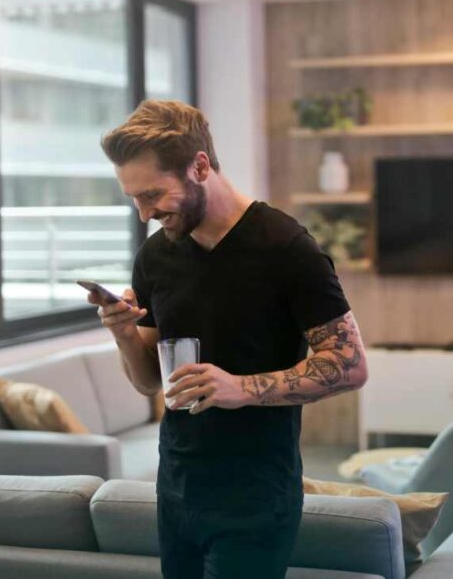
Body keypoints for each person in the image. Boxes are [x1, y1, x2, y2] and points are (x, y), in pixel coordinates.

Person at [89, 100, 369, 579]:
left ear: (200, 167)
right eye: (134, 199)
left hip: (257, 495)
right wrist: (123, 334)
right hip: (175, 486)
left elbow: (350, 363)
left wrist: (240, 387)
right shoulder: (155, 257)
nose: (145, 213)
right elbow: (148, 382)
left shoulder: (286, 247)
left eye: (153, 194)